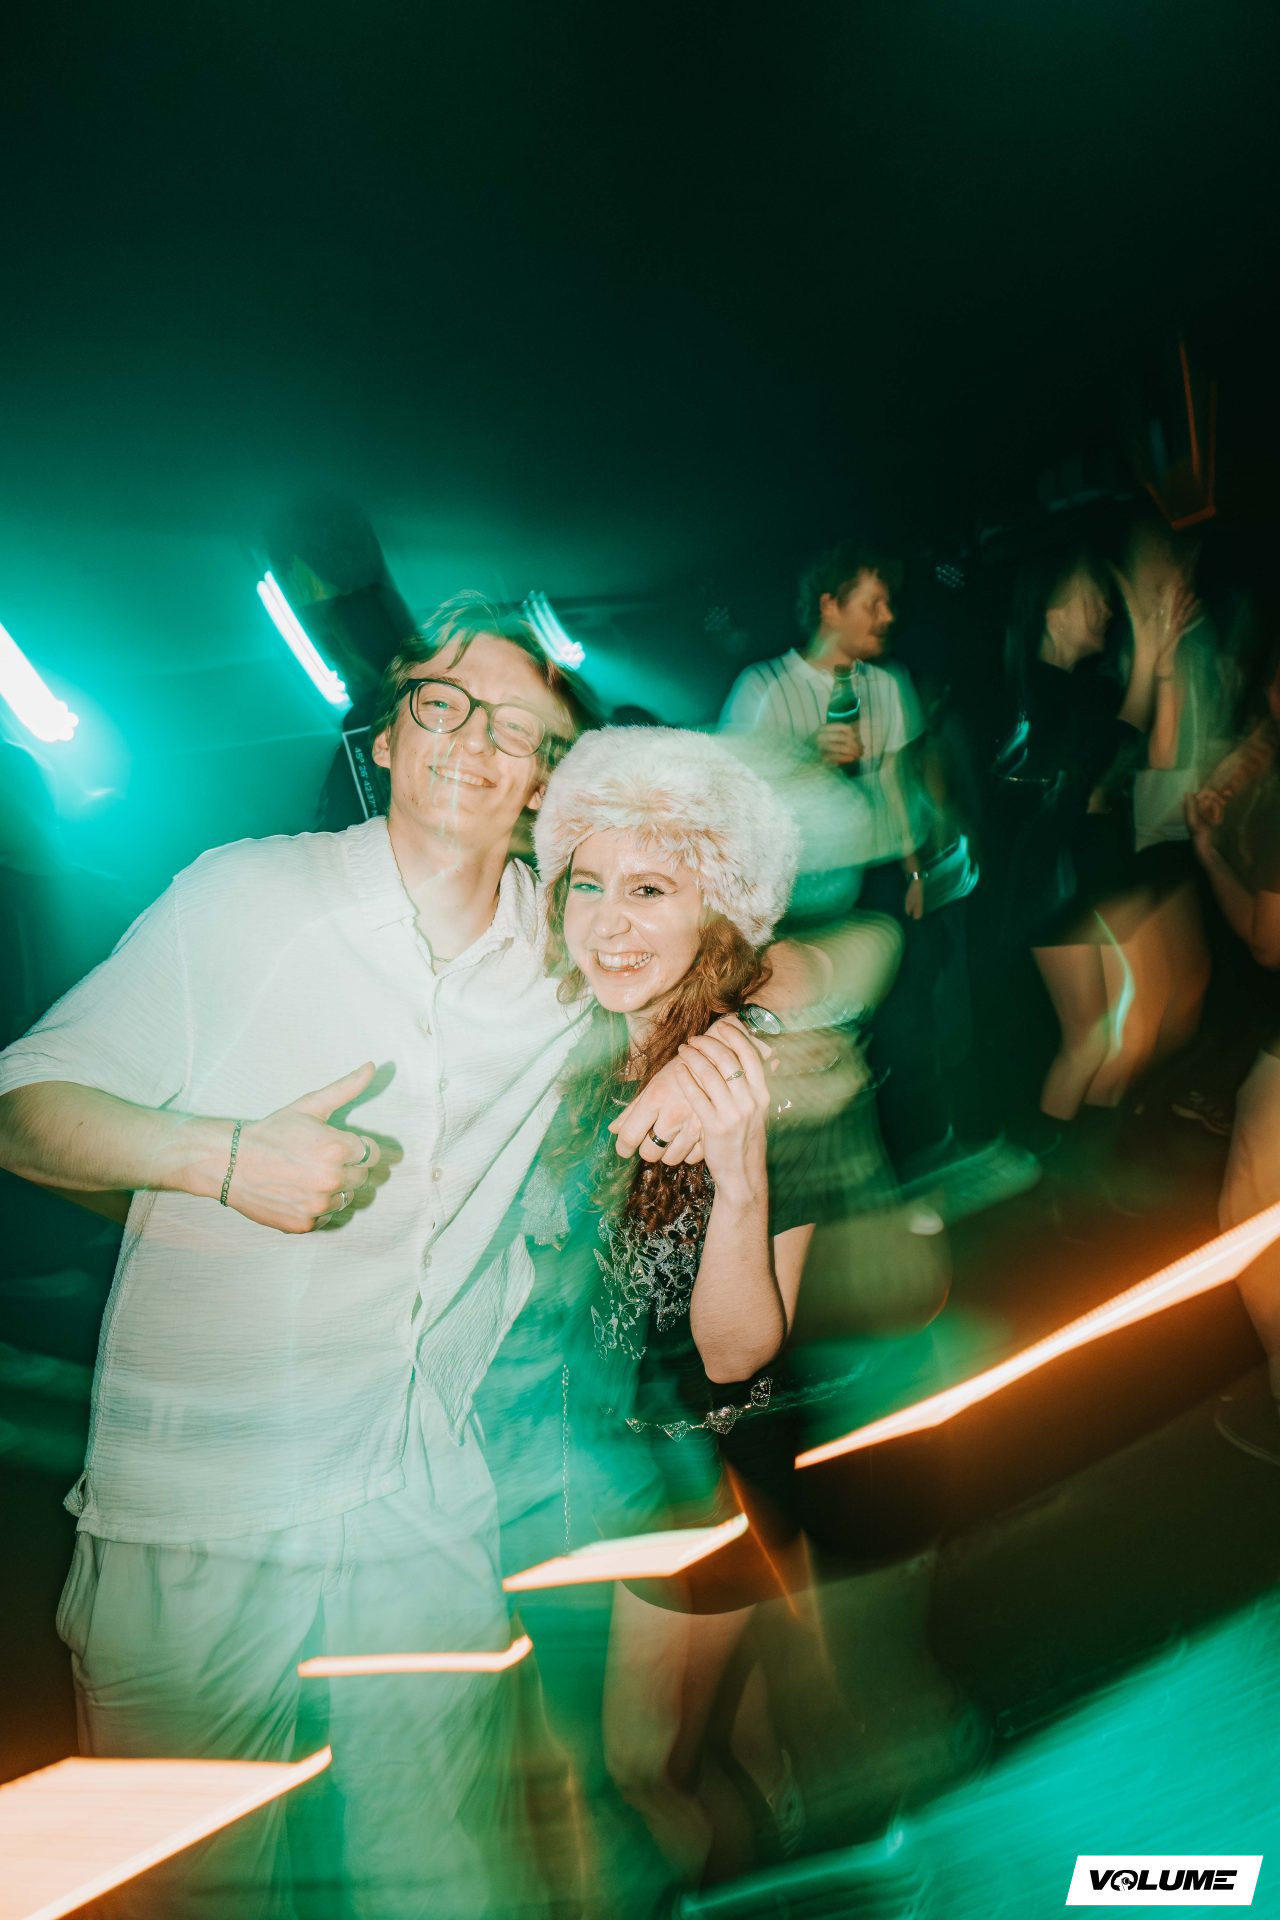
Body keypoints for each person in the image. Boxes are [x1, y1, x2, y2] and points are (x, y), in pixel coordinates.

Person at [0, 594, 753, 1920]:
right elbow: (25, 1105)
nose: (472, 739)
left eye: (514, 726)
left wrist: (716, 1057)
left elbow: (763, 951)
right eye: (442, 704)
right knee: (198, 1889)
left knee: (452, 1880)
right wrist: (220, 1157)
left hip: (417, 1498)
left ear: (542, 782)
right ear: (390, 737)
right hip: (196, 1514)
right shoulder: (250, 897)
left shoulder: (566, 960)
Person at [524, 724, 816, 1890]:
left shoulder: (756, 1075)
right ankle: (786, 1845)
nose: (609, 921)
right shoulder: (596, 1043)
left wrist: (739, 1175)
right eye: (587, 884)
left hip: (703, 1469)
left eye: (649, 889)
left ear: (717, 912)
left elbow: (741, 1352)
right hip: (603, 1454)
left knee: (645, 1766)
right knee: (721, 1738)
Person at [720, 541, 950, 1176]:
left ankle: (913, 1155)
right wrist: (808, 756)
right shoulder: (764, 687)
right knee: (815, 1026)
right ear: (830, 606)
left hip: (875, 878)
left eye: (888, 604)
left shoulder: (890, 684)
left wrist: (914, 870)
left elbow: (899, 784)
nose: (887, 617)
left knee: (904, 1017)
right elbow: (734, 801)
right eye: (873, 603)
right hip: (794, 896)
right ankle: (805, 1164)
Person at [997, 549, 1166, 1153]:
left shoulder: (1068, 690)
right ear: (1053, 612)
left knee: (1116, 1030)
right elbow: (1114, 745)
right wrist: (1148, 639)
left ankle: (1081, 1164)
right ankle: (1051, 1173)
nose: (1104, 609)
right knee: (1091, 1038)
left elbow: (1112, 754)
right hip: (1048, 889)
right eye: (1091, 596)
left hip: (1068, 879)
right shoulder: (1042, 691)